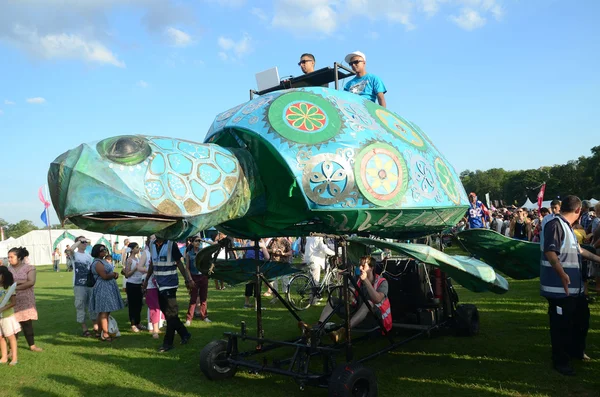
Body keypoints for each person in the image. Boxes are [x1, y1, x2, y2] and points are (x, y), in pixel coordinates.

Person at [540, 195, 600, 376]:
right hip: (559, 289)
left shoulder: (566, 226)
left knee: (582, 320)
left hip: (574, 290)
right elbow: (551, 252)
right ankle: (561, 361)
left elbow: (577, 250)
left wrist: (597, 259)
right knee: (561, 327)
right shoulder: (555, 225)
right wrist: (563, 274)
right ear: (578, 210)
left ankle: (576, 352)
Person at [310, 256, 392, 343]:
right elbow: (350, 294)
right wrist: (344, 287)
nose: (360, 268)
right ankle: (318, 328)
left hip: (377, 319)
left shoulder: (382, 282)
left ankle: (344, 330)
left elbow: (377, 299)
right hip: (358, 312)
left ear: (371, 268)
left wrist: (366, 281)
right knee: (332, 300)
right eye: (359, 265)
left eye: (363, 266)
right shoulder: (357, 279)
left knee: (368, 303)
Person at [142, 237, 195, 353]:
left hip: (170, 284)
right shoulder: (152, 244)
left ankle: (168, 343)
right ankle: (185, 333)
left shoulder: (171, 244)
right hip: (159, 284)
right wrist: (146, 280)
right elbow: (152, 264)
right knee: (168, 313)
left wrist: (187, 280)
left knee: (170, 314)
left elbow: (179, 263)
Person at [7, 247, 42, 352]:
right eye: (8, 257)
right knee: (12, 324)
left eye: (11, 257)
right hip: (12, 300)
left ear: (19, 257)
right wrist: (22, 281)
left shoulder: (29, 268)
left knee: (27, 323)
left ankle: (32, 345)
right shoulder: (8, 270)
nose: (9, 259)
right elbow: (5, 283)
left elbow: (31, 282)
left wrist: (14, 286)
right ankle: (12, 348)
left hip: (26, 300)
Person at [89, 244, 124, 342]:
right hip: (102, 288)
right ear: (96, 252)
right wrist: (113, 274)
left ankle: (99, 331)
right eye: (102, 250)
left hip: (108, 287)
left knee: (105, 312)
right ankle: (105, 333)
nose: (104, 251)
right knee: (104, 311)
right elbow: (104, 276)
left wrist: (114, 275)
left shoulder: (103, 260)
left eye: (105, 249)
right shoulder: (97, 263)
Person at [66, 236, 98, 337]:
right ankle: (85, 328)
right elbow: (70, 249)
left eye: (86, 241)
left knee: (92, 305)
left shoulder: (88, 256)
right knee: (80, 305)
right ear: (78, 243)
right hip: (79, 284)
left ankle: (95, 327)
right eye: (83, 242)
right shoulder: (74, 255)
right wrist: (79, 241)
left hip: (89, 284)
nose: (85, 243)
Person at [185, 237, 211, 326]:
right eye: (196, 241)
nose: (198, 242)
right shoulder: (189, 254)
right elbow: (187, 268)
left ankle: (205, 316)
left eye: (199, 241)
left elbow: (214, 245)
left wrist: (204, 240)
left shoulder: (202, 251)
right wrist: (190, 279)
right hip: (194, 277)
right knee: (193, 298)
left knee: (203, 298)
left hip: (203, 276)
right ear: (192, 243)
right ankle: (189, 318)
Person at [141, 237, 163, 339]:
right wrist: (149, 271)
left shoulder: (162, 250)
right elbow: (139, 267)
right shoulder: (146, 253)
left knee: (162, 305)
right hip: (150, 283)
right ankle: (154, 329)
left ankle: (159, 326)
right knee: (153, 306)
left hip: (162, 282)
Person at [124, 242, 146, 333]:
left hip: (138, 283)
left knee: (139, 304)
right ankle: (133, 324)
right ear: (132, 249)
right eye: (137, 247)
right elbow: (126, 274)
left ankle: (138, 322)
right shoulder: (129, 260)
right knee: (133, 305)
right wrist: (135, 269)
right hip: (131, 284)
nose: (138, 249)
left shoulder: (138, 259)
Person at [0, 266, 19, 365]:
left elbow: (13, 302)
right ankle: (4, 357)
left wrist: (2, 308)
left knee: (10, 336)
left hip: (7, 316)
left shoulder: (9, 288)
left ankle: (14, 358)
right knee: (0, 337)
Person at [243, 239, 270, 309]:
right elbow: (267, 257)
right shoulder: (261, 245)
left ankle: (246, 303)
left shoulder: (247, 244)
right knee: (257, 285)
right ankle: (257, 305)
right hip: (257, 266)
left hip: (248, 266)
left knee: (248, 284)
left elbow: (245, 254)